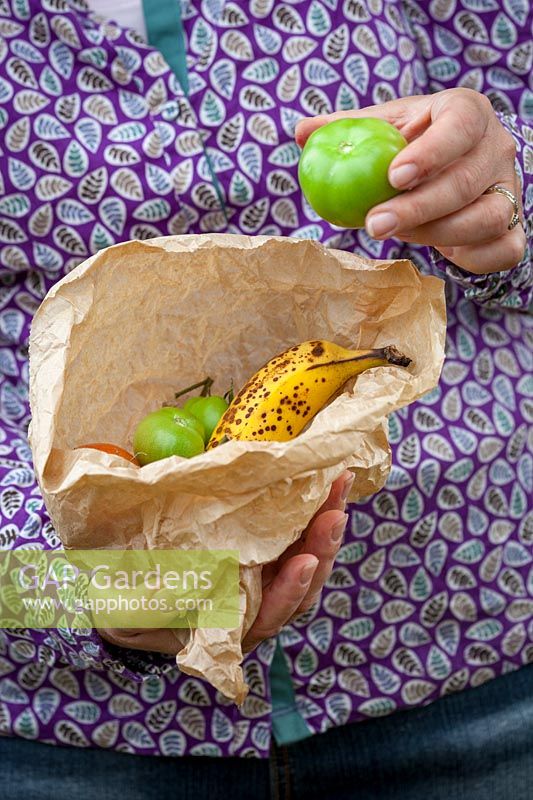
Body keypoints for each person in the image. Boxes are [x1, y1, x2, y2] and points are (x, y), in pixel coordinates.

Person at [0, 0, 531, 797]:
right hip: (86, 741)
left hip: (464, 644)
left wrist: (502, 199)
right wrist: (79, 597)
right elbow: (50, 584)